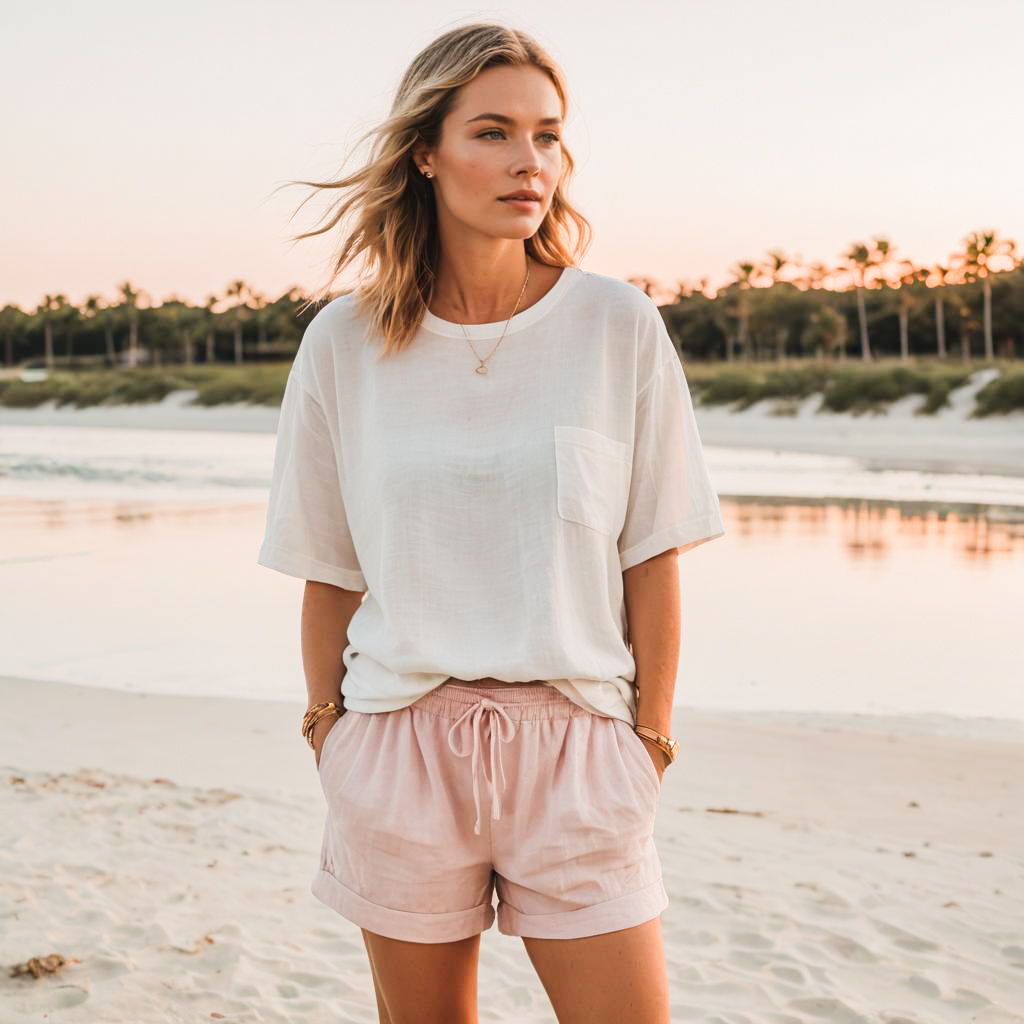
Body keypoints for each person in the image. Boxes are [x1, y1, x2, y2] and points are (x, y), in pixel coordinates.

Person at [257, 21, 725, 1024]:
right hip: (399, 747)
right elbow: (328, 565)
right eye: (494, 132)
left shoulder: (614, 325)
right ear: (425, 151)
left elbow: (652, 550)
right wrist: (324, 730)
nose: (529, 163)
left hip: (579, 749)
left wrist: (648, 737)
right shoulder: (344, 342)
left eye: (547, 136)